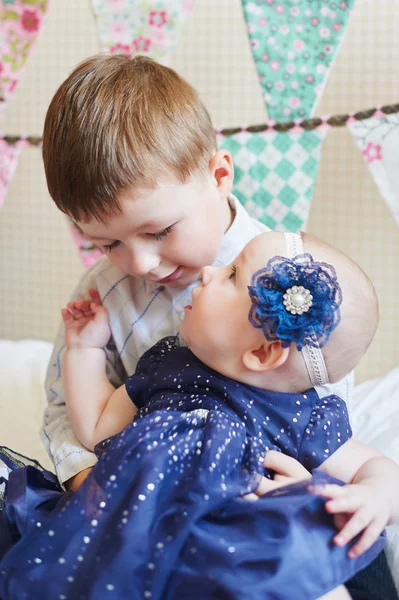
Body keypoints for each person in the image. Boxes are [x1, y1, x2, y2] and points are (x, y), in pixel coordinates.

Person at [14, 54, 395, 596]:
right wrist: (92, 485)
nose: (142, 263)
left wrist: (317, 487)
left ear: (218, 176)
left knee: (349, 554)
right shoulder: (114, 307)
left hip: (264, 489)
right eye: (108, 242)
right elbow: (74, 413)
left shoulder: (292, 277)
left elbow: (321, 395)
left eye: (160, 230)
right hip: (138, 494)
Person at [0, 231, 397, 599]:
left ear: (262, 353)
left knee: (317, 577)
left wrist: (374, 494)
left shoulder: (298, 417)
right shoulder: (167, 367)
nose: (209, 272)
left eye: (231, 275)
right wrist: (85, 351)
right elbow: (96, 426)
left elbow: (375, 466)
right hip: (130, 539)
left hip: (236, 554)